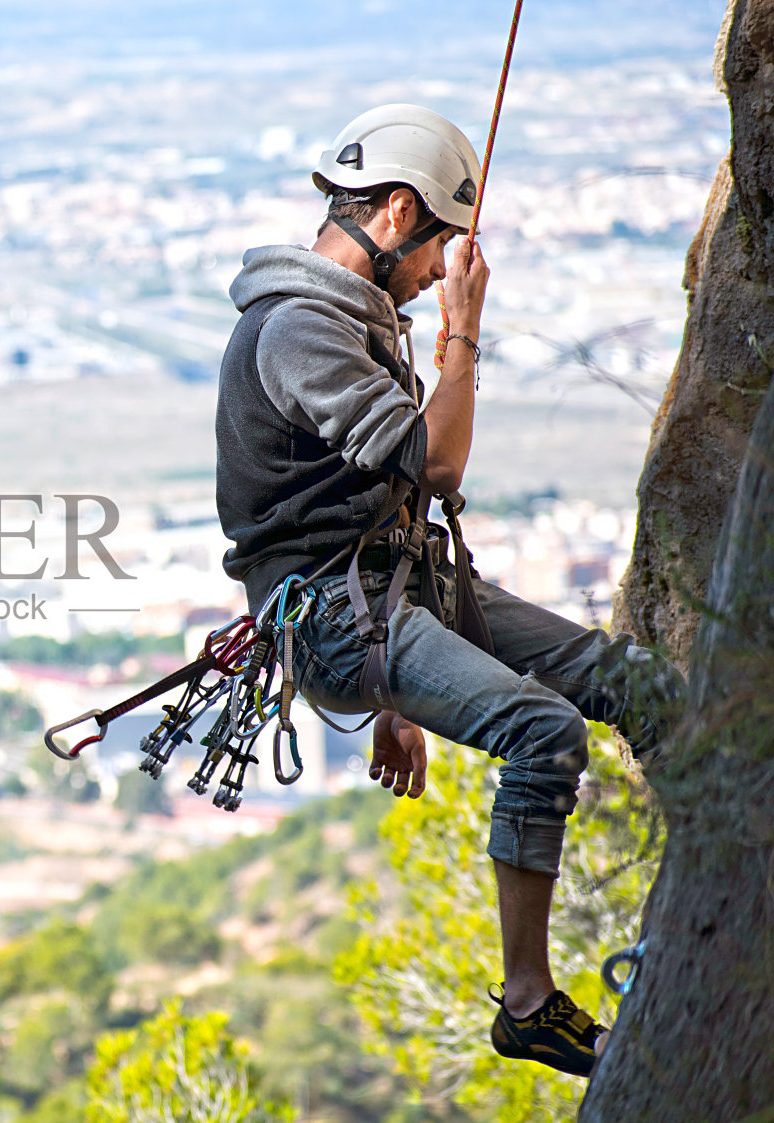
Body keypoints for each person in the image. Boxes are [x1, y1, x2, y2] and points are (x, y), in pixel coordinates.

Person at [214, 103, 683, 1078]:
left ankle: (702, 903)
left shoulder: (348, 318)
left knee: (635, 685)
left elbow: (394, 494)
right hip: (340, 616)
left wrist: (400, 689)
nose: (439, 274)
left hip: (391, 595)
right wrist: (464, 333)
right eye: (436, 247)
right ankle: (526, 1003)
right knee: (542, 731)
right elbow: (433, 462)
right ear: (393, 212)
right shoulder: (298, 330)